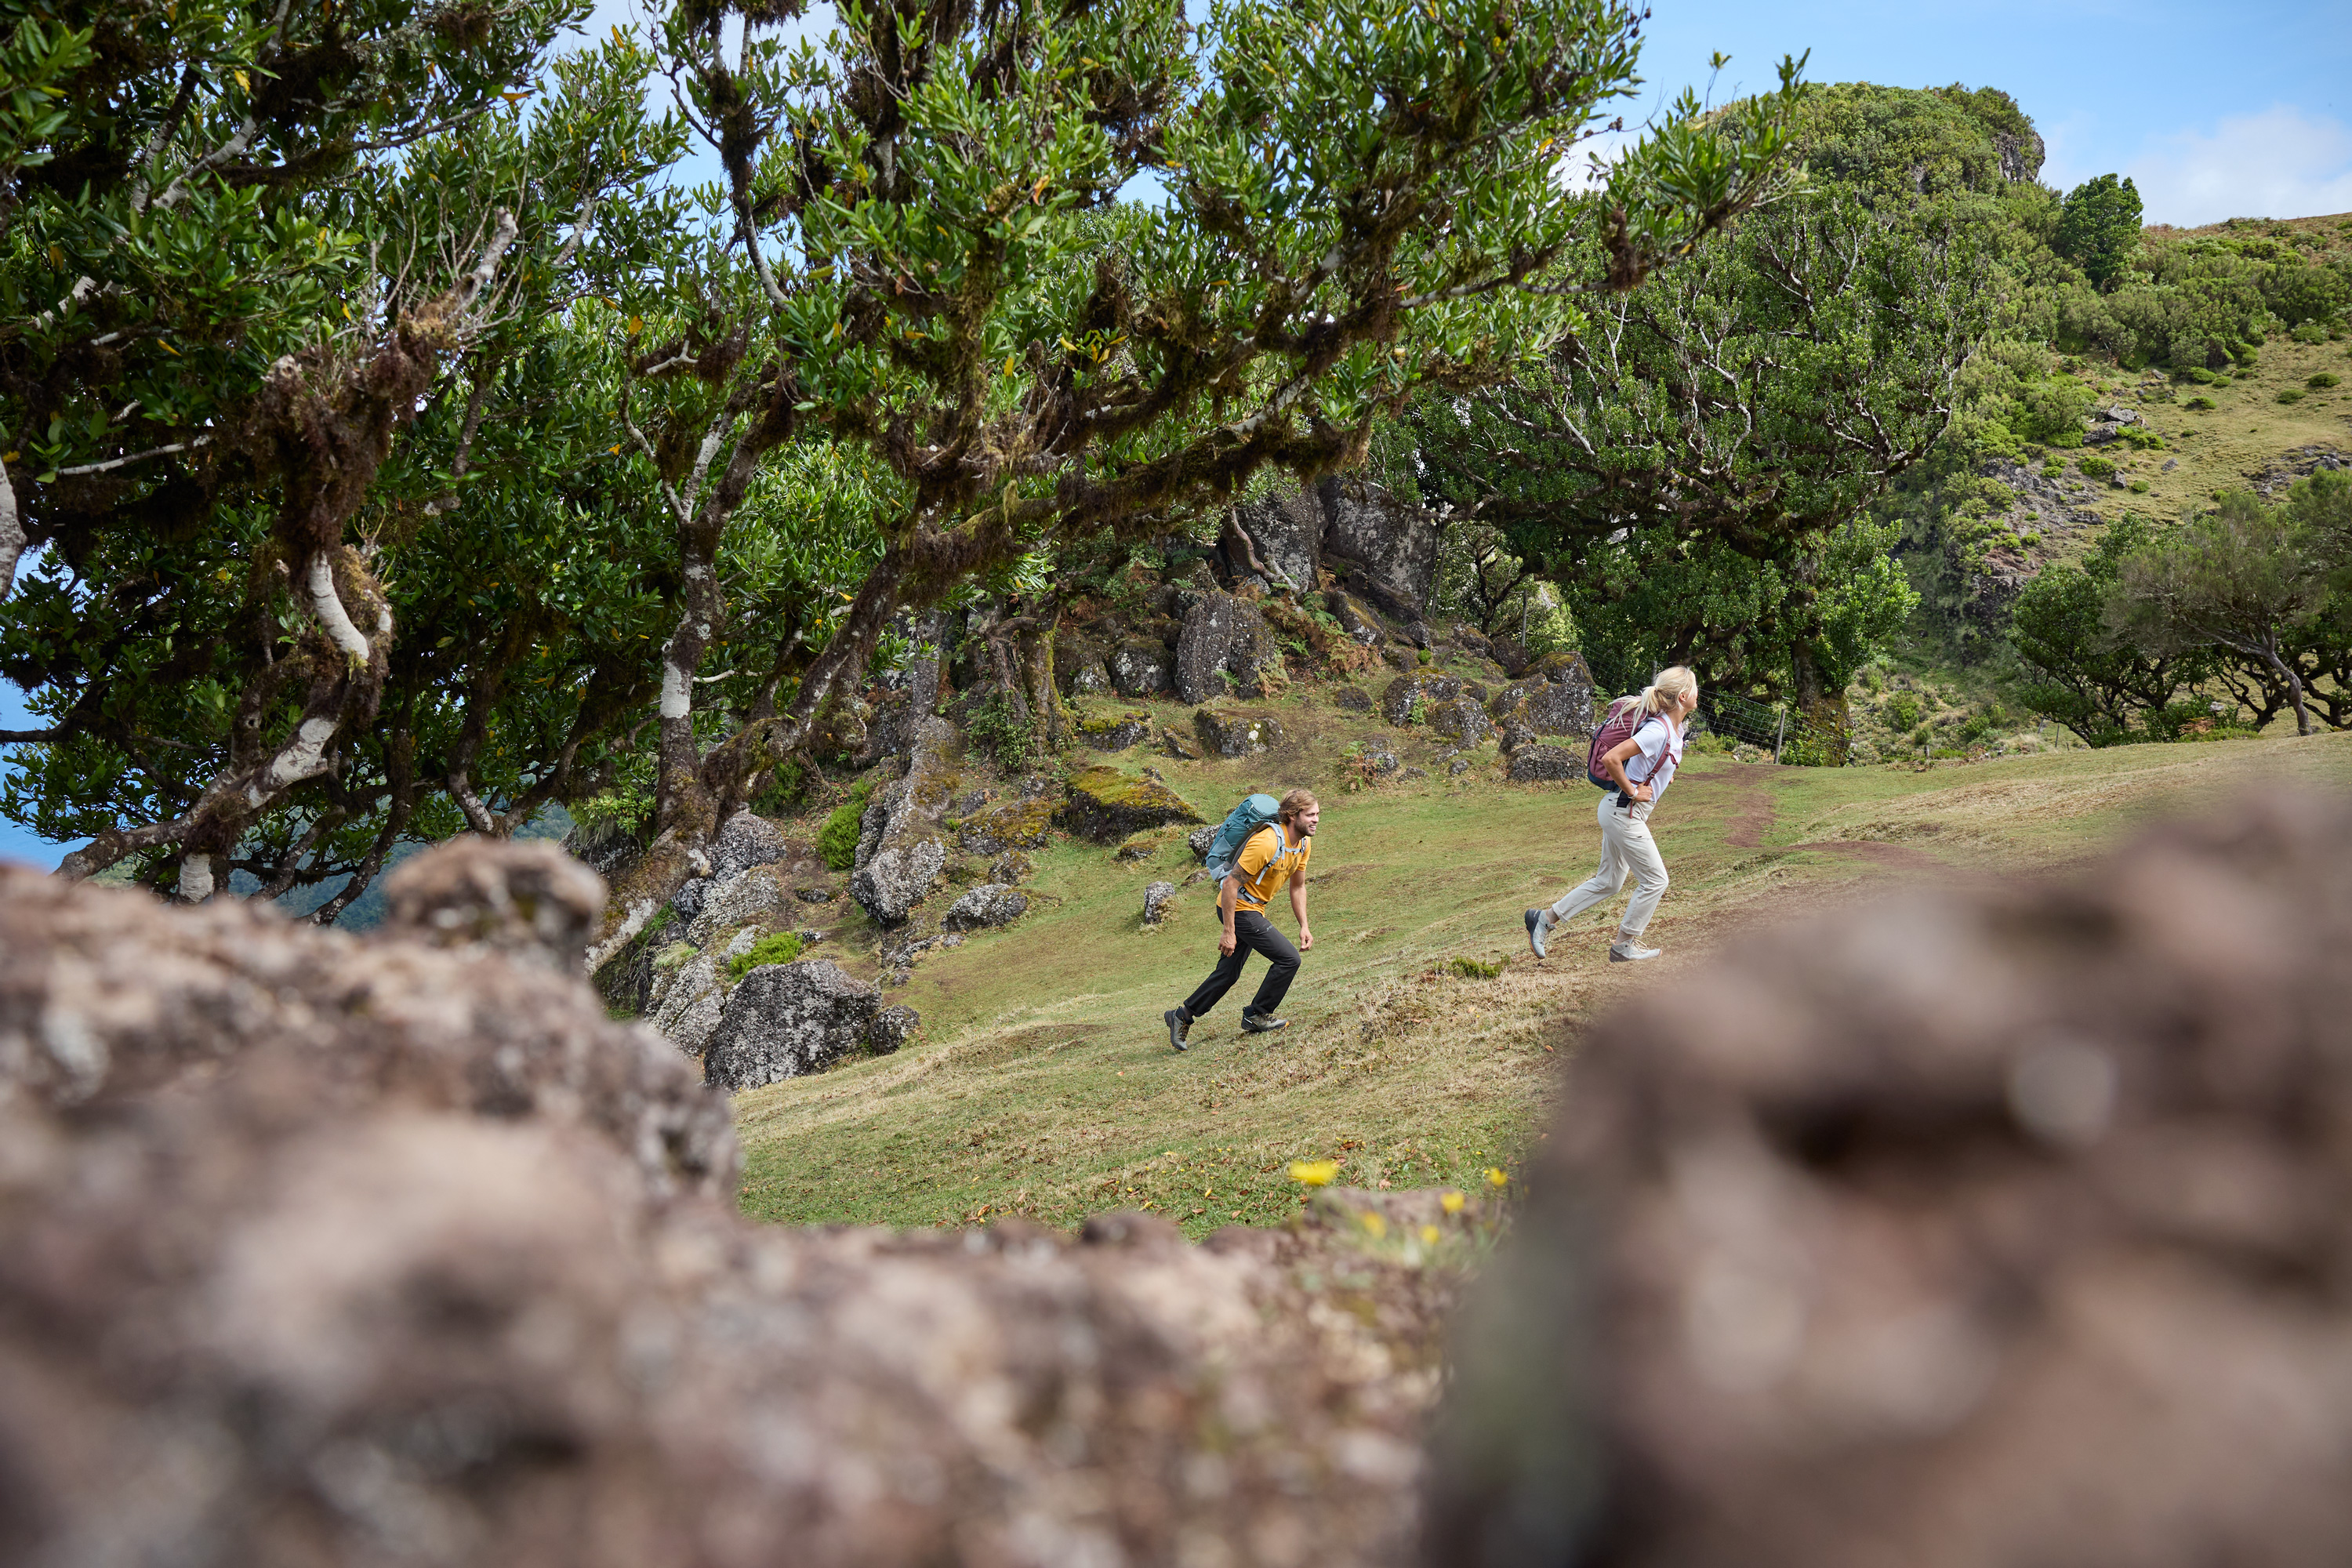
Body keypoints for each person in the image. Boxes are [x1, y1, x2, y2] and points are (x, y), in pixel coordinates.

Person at [1526, 666, 1698, 964]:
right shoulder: (1658, 729)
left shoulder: (1673, 729)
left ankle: (1543, 919)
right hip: (1624, 811)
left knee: (1610, 882)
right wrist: (1633, 790)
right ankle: (1624, 945)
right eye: (1695, 688)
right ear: (1683, 697)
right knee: (1656, 880)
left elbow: (1650, 762)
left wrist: (1660, 777)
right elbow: (1612, 758)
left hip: (1623, 811)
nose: (1698, 692)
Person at [1166, 788, 1318, 1050]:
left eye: (1317, 814)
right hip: (1237, 908)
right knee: (1288, 959)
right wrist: (1229, 931)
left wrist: (1304, 925)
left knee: (1228, 973)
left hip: (1254, 909)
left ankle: (1181, 1016)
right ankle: (1257, 1014)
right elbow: (1229, 886)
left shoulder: (1303, 843)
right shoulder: (1267, 842)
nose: (1316, 820)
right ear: (1293, 816)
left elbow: (1298, 887)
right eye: (1310, 815)